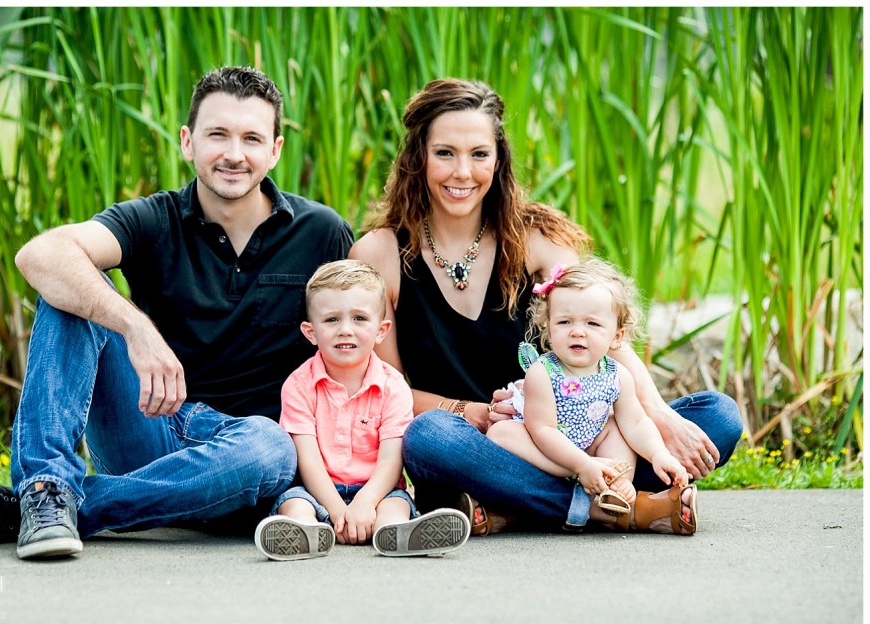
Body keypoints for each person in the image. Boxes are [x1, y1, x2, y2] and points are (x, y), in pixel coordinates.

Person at [0, 66, 354, 560]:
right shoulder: (154, 218)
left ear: (275, 150)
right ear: (188, 141)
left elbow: (356, 341)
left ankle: (54, 506)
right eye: (218, 135)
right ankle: (45, 487)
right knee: (74, 289)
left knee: (270, 444)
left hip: (246, 454)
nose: (234, 154)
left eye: (252, 138)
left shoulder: (321, 231)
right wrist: (135, 328)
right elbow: (39, 255)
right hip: (151, 420)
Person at [349, 77, 742, 535]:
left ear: (499, 161)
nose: (462, 172)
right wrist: (468, 411)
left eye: (479, 154)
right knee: (426, 438)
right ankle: (619, 507)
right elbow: (388, 390)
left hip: (580, 433)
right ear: (418, 158)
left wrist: (658, 415)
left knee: (718, 416)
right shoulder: (379, 254)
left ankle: (515, 507)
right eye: (445, 153)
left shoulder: (535, 240)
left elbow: (605, 338)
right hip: (481, 446)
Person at [254, 260, 470, 560]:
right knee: (294, 503)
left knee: (396, 504)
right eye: (331, 320)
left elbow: (391, 459)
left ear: (381, 330)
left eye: (359, 318)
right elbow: (308, 458)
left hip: (377, 492)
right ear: (310, 332)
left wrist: (366, 503)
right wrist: (336, 509)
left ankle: (395, 532)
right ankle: (305, 531)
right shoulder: (299, 385)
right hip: (318, 491)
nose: (345, 330)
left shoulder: (393, 386)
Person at [487, 258, 696, 534]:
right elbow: (543, 431)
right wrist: (581, 465)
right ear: (548, 328)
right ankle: (585, 482)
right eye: (564, 321)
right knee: (501, 433)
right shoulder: (543, 372)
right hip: (547, 451)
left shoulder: (617, 374)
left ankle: (616, 483)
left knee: (617, 427)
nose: (577, 331)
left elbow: (636, 423)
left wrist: (658, 454)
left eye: (593, 324)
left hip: (592, 439)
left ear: (617, 336)